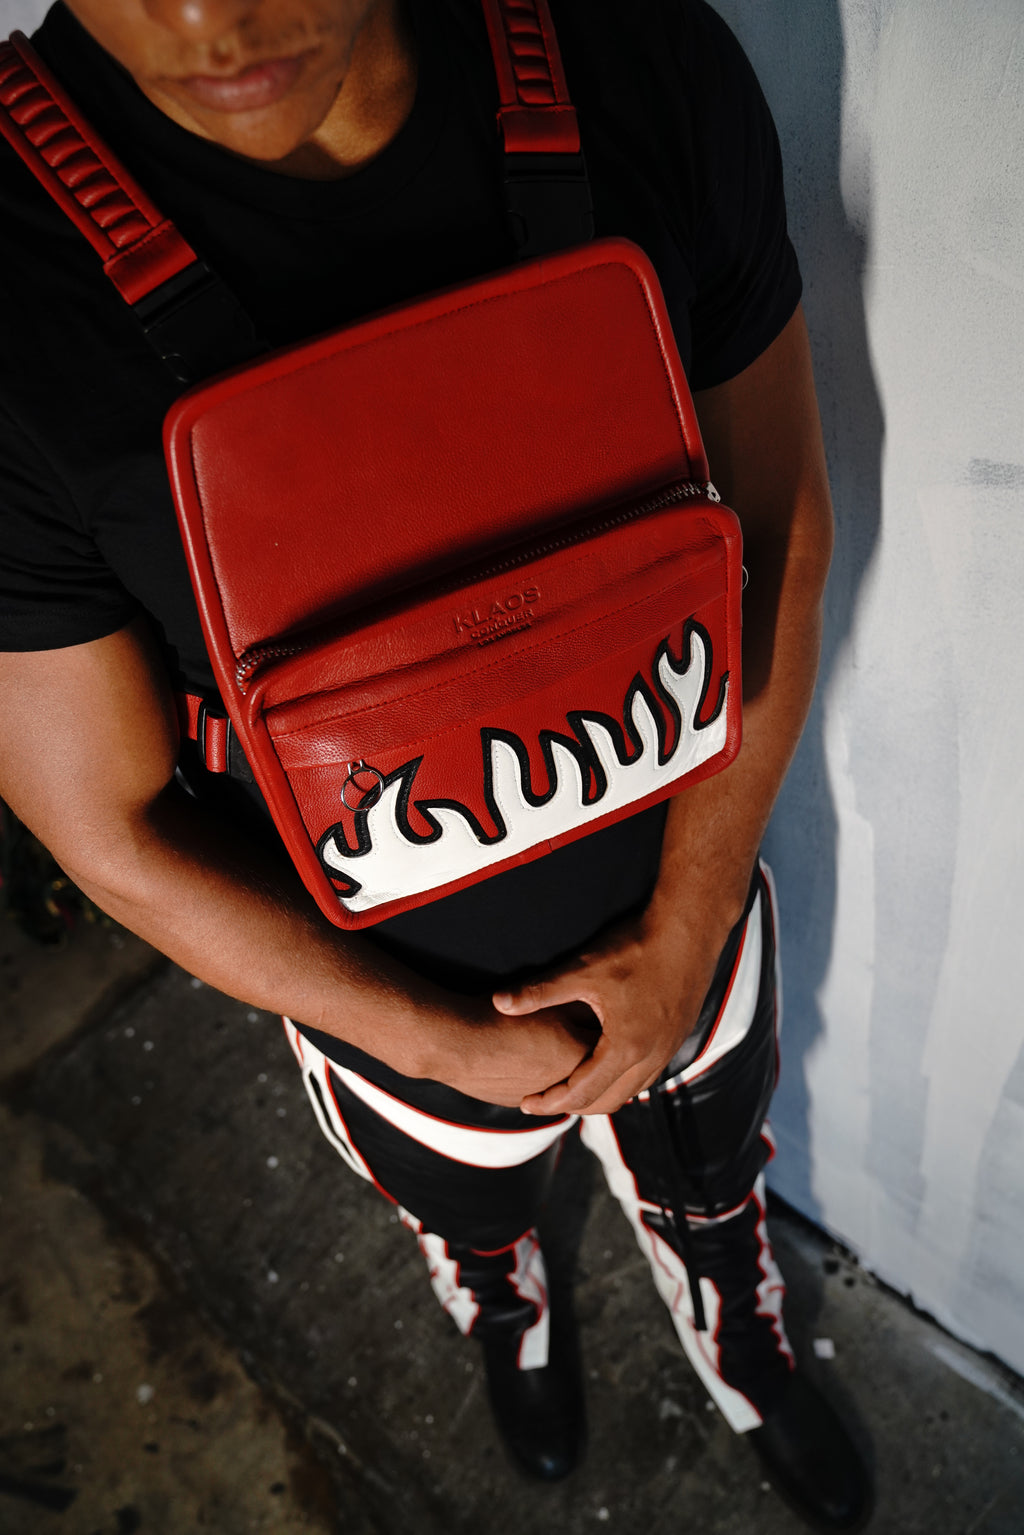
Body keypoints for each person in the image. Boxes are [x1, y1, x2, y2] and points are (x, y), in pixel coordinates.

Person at [0, 0, 868, 1526]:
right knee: (466, 1222)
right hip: (394, 1010)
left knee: (716, 1186)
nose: (209, 17)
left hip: (696, 907)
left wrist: (689, 929)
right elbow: (108, 823)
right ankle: (508, 1321)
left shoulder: (634, 55)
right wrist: (437, 1042)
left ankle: (746, 1350)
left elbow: (778, 525)